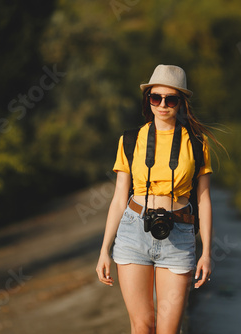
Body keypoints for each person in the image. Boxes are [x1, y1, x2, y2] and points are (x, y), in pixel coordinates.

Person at [96, 64, 217, 334]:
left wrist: (206, 252)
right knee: (142, 326)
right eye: (156, 97)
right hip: (133, 231)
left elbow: (205, 200)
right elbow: (118, 199)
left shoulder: (197, 142)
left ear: (181, 103)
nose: (162, 104)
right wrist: (104, 249)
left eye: (170, 99)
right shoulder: (130, 140)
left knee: (167, 328)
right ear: (148, 99)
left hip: (180, 233)